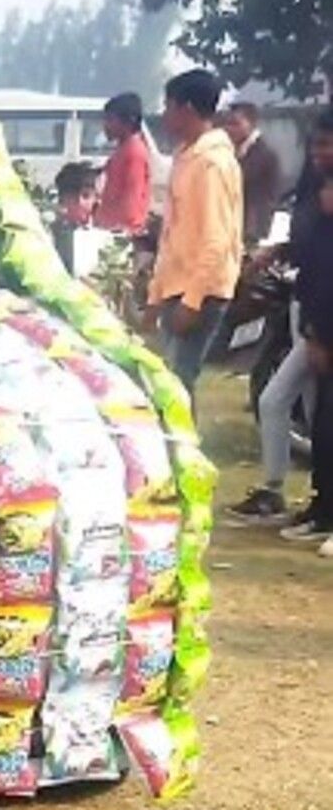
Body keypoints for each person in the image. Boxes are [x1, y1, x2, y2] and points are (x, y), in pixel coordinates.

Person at [225, 111, 333, 527]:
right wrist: (280, 251)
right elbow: (311, 249)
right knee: (310, 409)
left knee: (281, 402)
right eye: (316, 145)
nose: (320, 153)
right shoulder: (314, 188)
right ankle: (306, 501)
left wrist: (319, 330)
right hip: (306, 307)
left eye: (327, 145)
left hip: (321, 317)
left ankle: (288, 496)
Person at [146, 69, 244, 398]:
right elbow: (173, 233)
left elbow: (216, 239)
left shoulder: (212, 163)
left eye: (168, 106)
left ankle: (183, 448)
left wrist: (193, 301)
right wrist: (156, 295)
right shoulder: (186, 156)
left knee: (178, 383)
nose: (163, 114)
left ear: (186, 109)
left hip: (201, 290)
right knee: (171, 381)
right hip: (178, 284)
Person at [278, 173, 333, 550]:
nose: (323, 195)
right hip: (321, 333)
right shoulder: (322, 234)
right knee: (323, 427)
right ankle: (323, 509)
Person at [222, 101, 282, 245]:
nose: (229, 129)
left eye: (235, 124)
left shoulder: (262, 154)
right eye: (227, 124)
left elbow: (241, 183)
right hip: (234, 225)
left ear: (252, 123)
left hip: (251, 228)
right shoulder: (234, 150)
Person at [94, 91, 151, 233]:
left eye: (110, 120)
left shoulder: (134, 152)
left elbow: (132, 199)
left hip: (123, 233)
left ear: (129, 121)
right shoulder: (123, 149)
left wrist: (121, 231)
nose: (105, 125)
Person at [51, 161, 99, 275]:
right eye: (72, 197)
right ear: (61, 199)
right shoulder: (47, 234)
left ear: (96, 198)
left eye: (86, 196)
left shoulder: (103, 237)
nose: (80, 202)